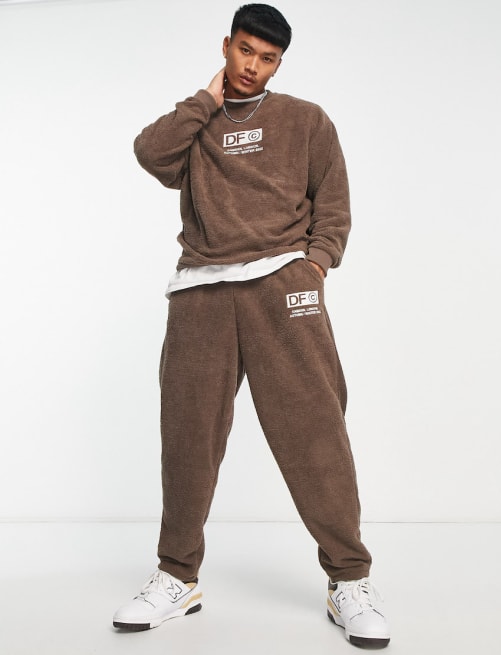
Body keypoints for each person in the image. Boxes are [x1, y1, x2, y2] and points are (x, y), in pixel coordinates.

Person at [113, 3, 390, 649]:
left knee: (314, 431)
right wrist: (204, 101)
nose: (252, 66)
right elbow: (149, 152)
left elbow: (333, 203)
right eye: (244, 51)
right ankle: (177, 576)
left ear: (278, 64)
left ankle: (348, 579)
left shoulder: (305, 120)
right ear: (226, 47)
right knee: (188, 436)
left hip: (283, 286)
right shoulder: (196, 124)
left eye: (267, 59)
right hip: (200, 292)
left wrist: (314, 266)